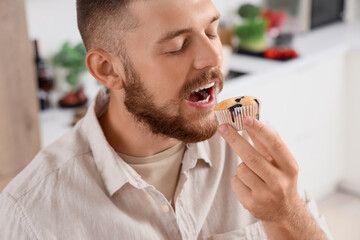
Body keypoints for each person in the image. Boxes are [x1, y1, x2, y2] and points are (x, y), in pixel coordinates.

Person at [0, 0, 333, 239]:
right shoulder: (31, 213)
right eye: (177, 46)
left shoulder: (250, 146)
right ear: (108, 69)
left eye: (212, 31)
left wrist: (287, 215)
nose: (213, 57)